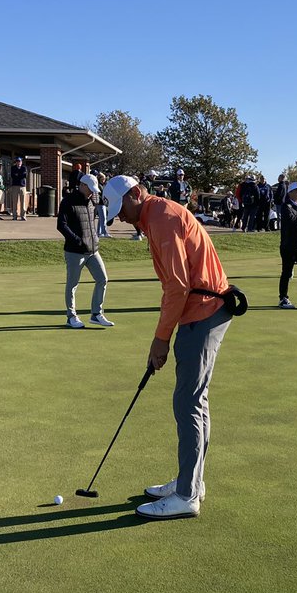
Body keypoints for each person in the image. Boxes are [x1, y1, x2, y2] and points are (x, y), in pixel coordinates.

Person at [103, 174, 233, 520]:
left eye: (121, 208)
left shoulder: (160, 218)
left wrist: (161, 339)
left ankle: (187, 495)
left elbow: (176, 286)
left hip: (203, 311)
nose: (120, 217)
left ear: (135, 194)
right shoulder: (155, 216)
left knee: (187, 402)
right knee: (196, 400)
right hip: (205, 309)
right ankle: (192, 481)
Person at [56, 173, 113, 329]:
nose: (92, 192)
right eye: (90, 189)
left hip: (93, 250)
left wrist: (95, 238)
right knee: (72, 284)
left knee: (102, 279)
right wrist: (77, 240)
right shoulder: (68, 201)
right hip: (75, 252)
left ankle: (96, 314)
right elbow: (61, 225)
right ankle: (71, 316)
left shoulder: (91, 201)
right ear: (82, 185)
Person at [8, 156, 28, 220]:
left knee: (23, 202)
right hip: (15, 186)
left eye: (19, 161)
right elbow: (13, 176)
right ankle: (14, 216)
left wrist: (18, 175)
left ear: (21, 162)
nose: (18, 162)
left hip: (22, 186)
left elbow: (24, 175)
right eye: (17, 161)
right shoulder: (13, 168)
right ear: (16, 162)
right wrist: (19, 175)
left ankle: (23, 216)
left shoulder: (24, 168)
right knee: (14, 201)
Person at [92, 170, 111, 238]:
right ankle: (104, 232)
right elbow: (100, 195)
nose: (103, 180)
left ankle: (99, 232)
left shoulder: (101, 185)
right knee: (103, 218)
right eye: (102, 179)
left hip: (101, 203)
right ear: (99, 178)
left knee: (101, 219)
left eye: (104, 179)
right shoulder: (99, 185)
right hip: (100, 203)